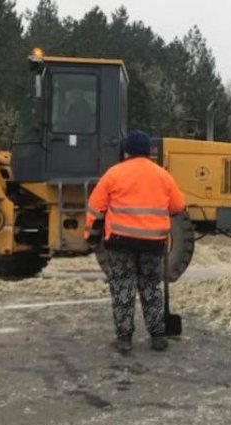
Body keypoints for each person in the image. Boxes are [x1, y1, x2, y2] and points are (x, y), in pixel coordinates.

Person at [85, 131, 185, 355]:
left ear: (126, 151)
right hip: (153, 243)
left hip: (120, 243)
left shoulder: (114, 174)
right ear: (149, 152)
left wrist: (89, 235)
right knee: (151, 286)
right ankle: (158, 336)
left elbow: (95, 206)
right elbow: (178, 206)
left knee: (123, 287)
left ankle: (124, 339)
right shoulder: (163, 175)